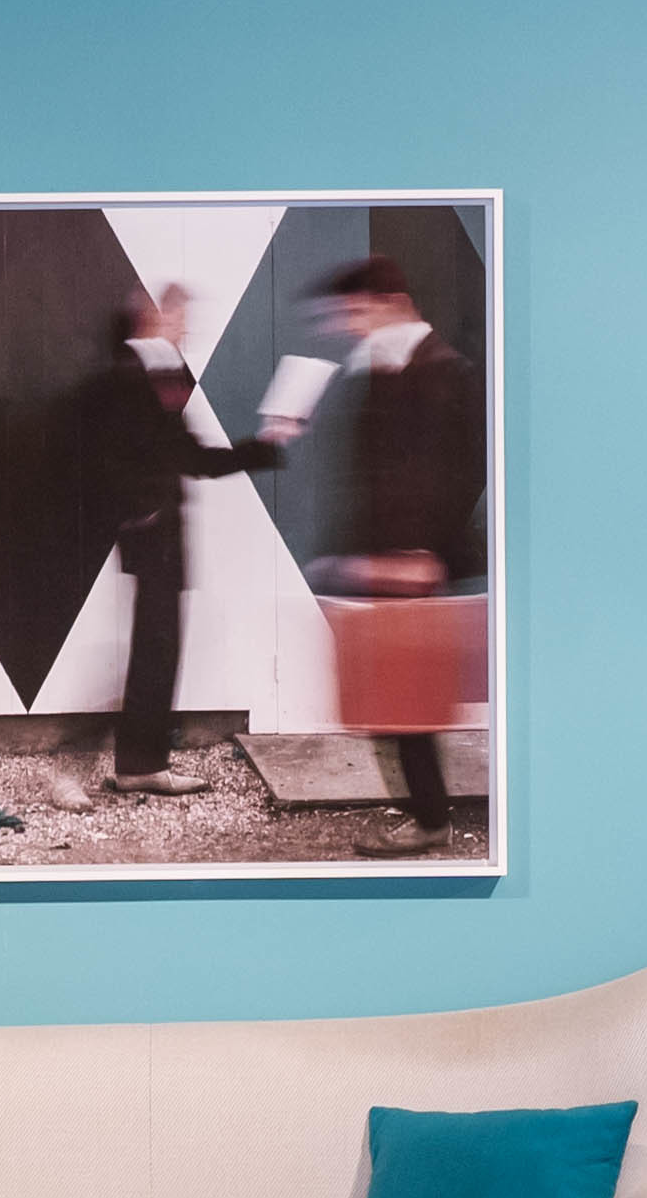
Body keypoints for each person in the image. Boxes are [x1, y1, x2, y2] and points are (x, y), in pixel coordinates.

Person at [263, 255, 488, 833]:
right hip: (380, 567)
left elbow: (456, 473)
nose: (346, 325)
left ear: (393, 303)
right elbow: (367, 475)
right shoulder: (373, 368)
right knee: (392, 704)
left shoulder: (443, 370)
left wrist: (419, 554)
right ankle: (424, 811)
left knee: (411, 706)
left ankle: (431, 819)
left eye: (355, 311)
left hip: (416, 566)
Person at [65, 281, 279, 790]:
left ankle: (141, 764)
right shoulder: (127, 376)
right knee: (155, 646)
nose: (186, 327)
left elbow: (189, 457)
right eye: (179, 316)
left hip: (161, 531)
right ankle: (123, 763)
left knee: (159, 645)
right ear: (153, 315)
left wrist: (262, 449)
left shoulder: (159, 373)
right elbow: (102, 455)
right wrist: (134, 514)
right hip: (151, 531)